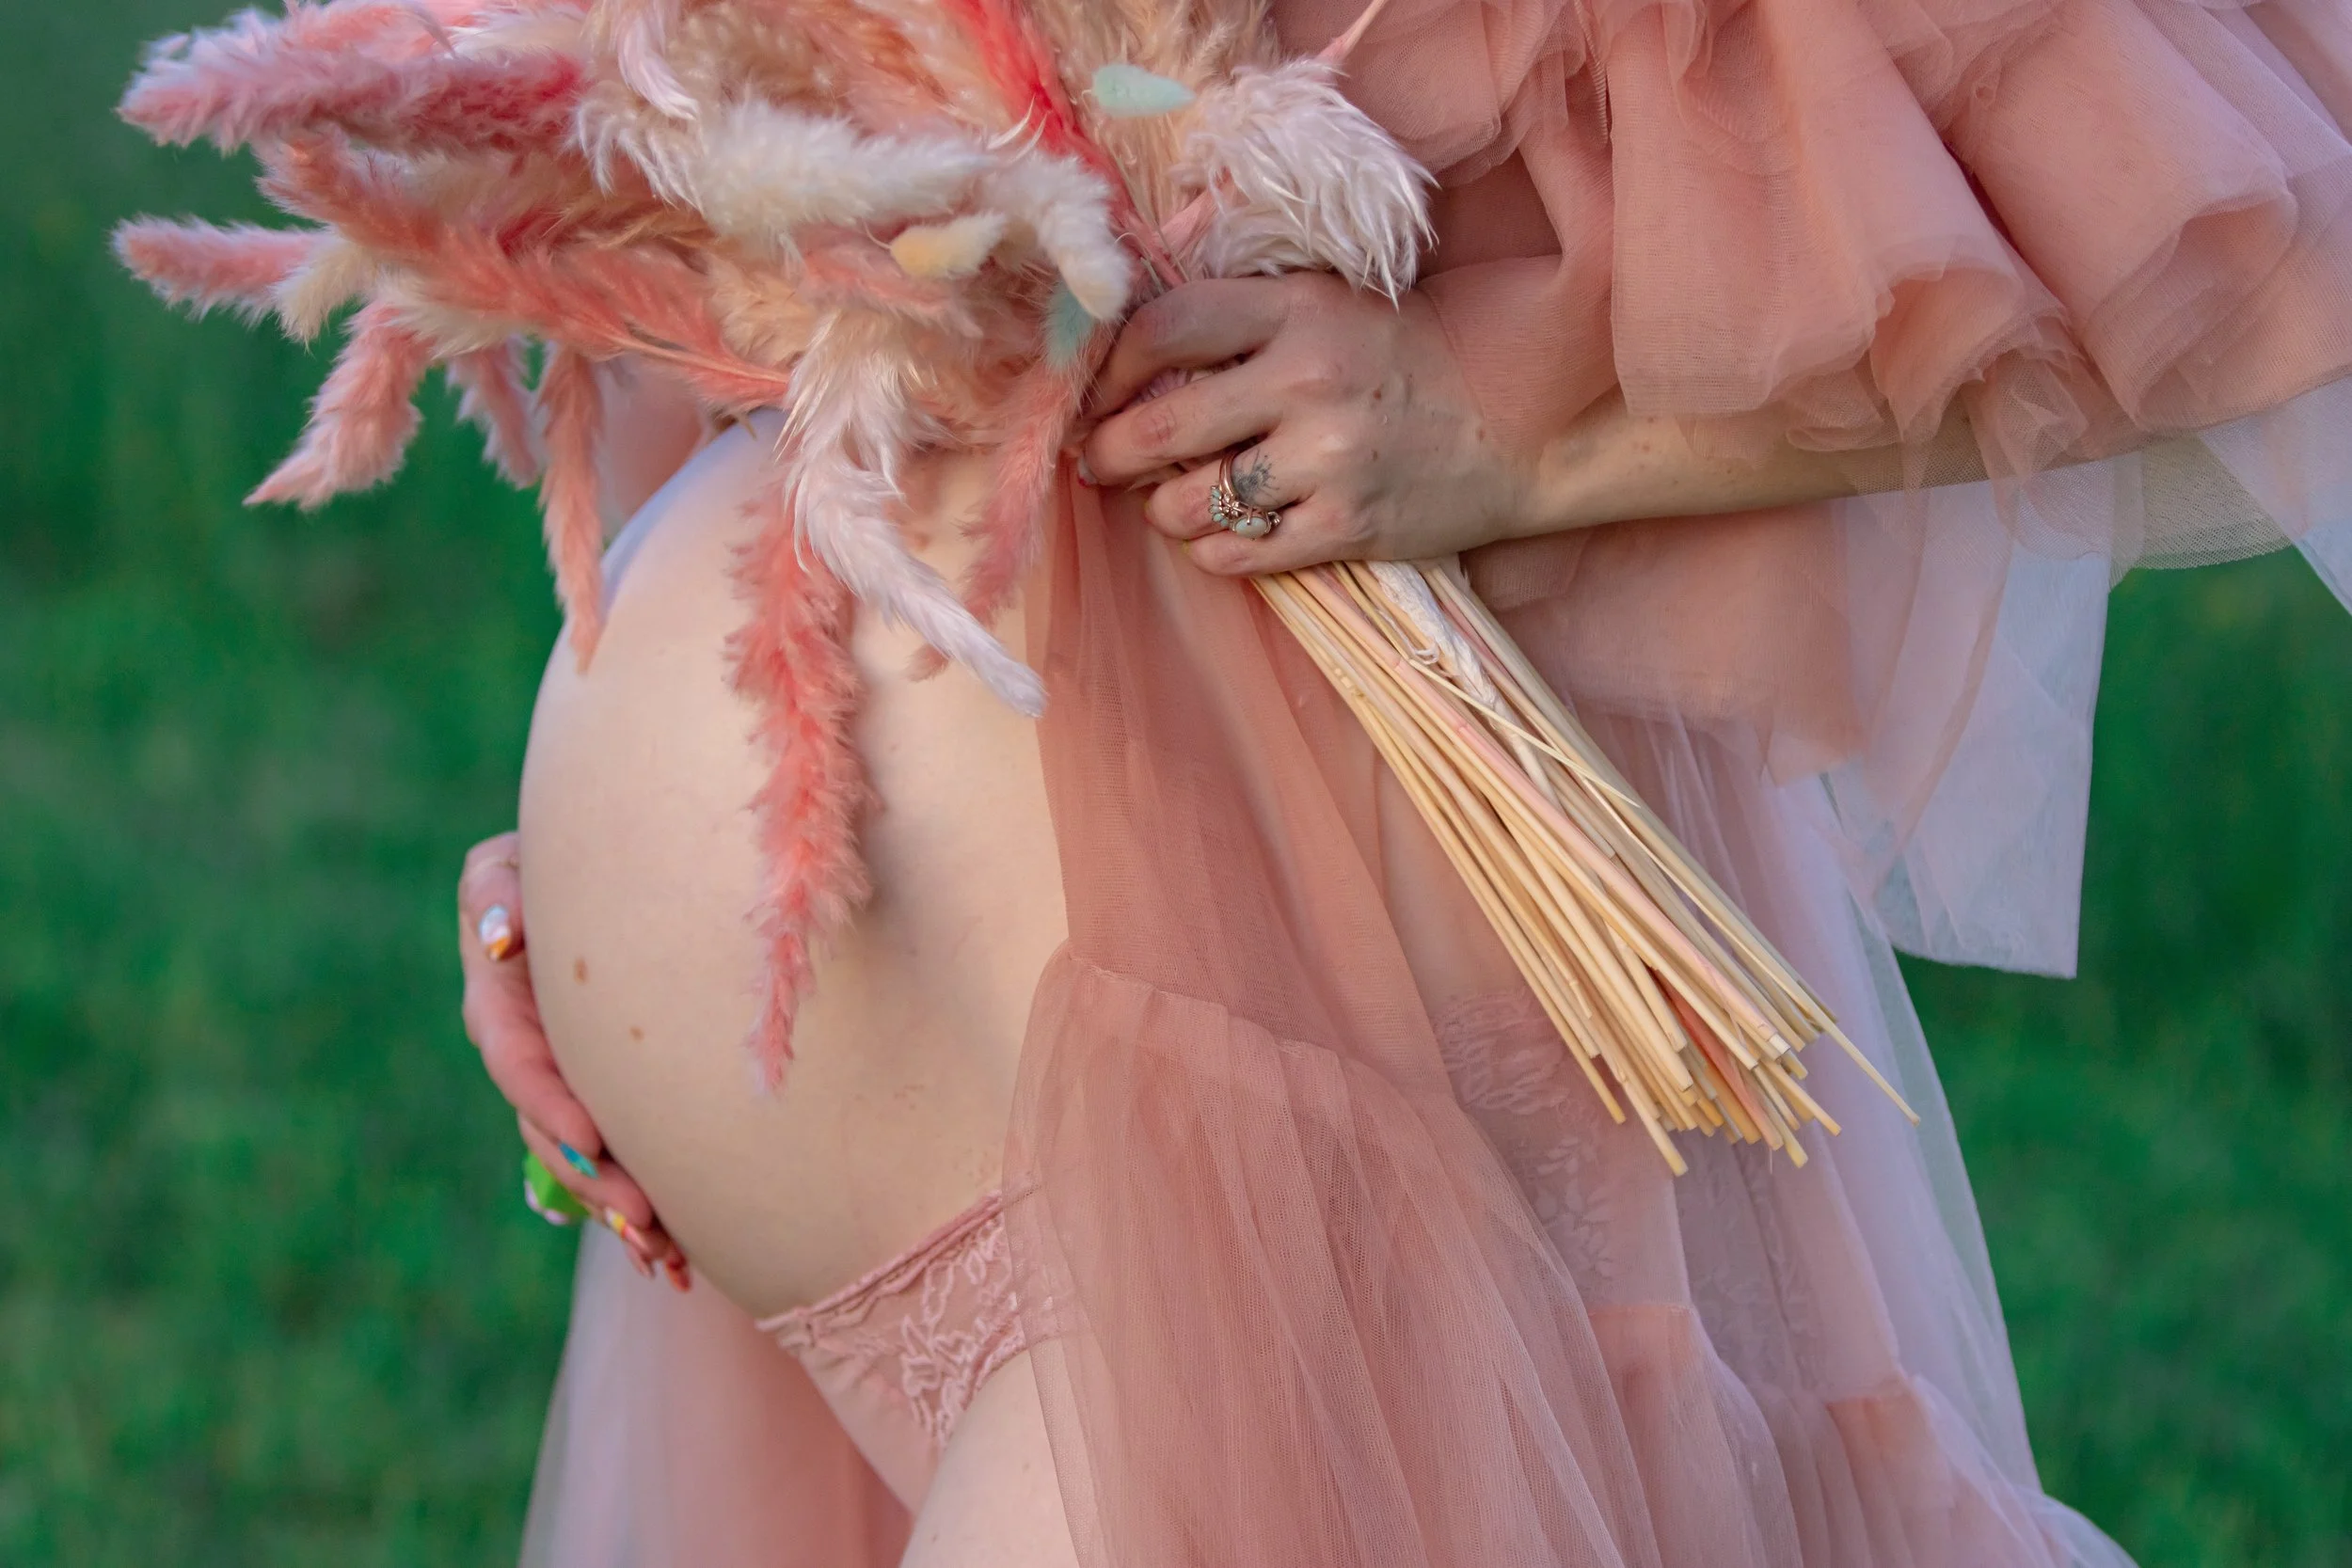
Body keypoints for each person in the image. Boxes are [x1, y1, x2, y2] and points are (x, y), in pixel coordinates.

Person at [121, 0, 2352, 1560]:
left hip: (1289, 1082)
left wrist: (1511, 425)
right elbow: (770, 191)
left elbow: (2255, 249)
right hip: (878, 1107)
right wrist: (605, 811)